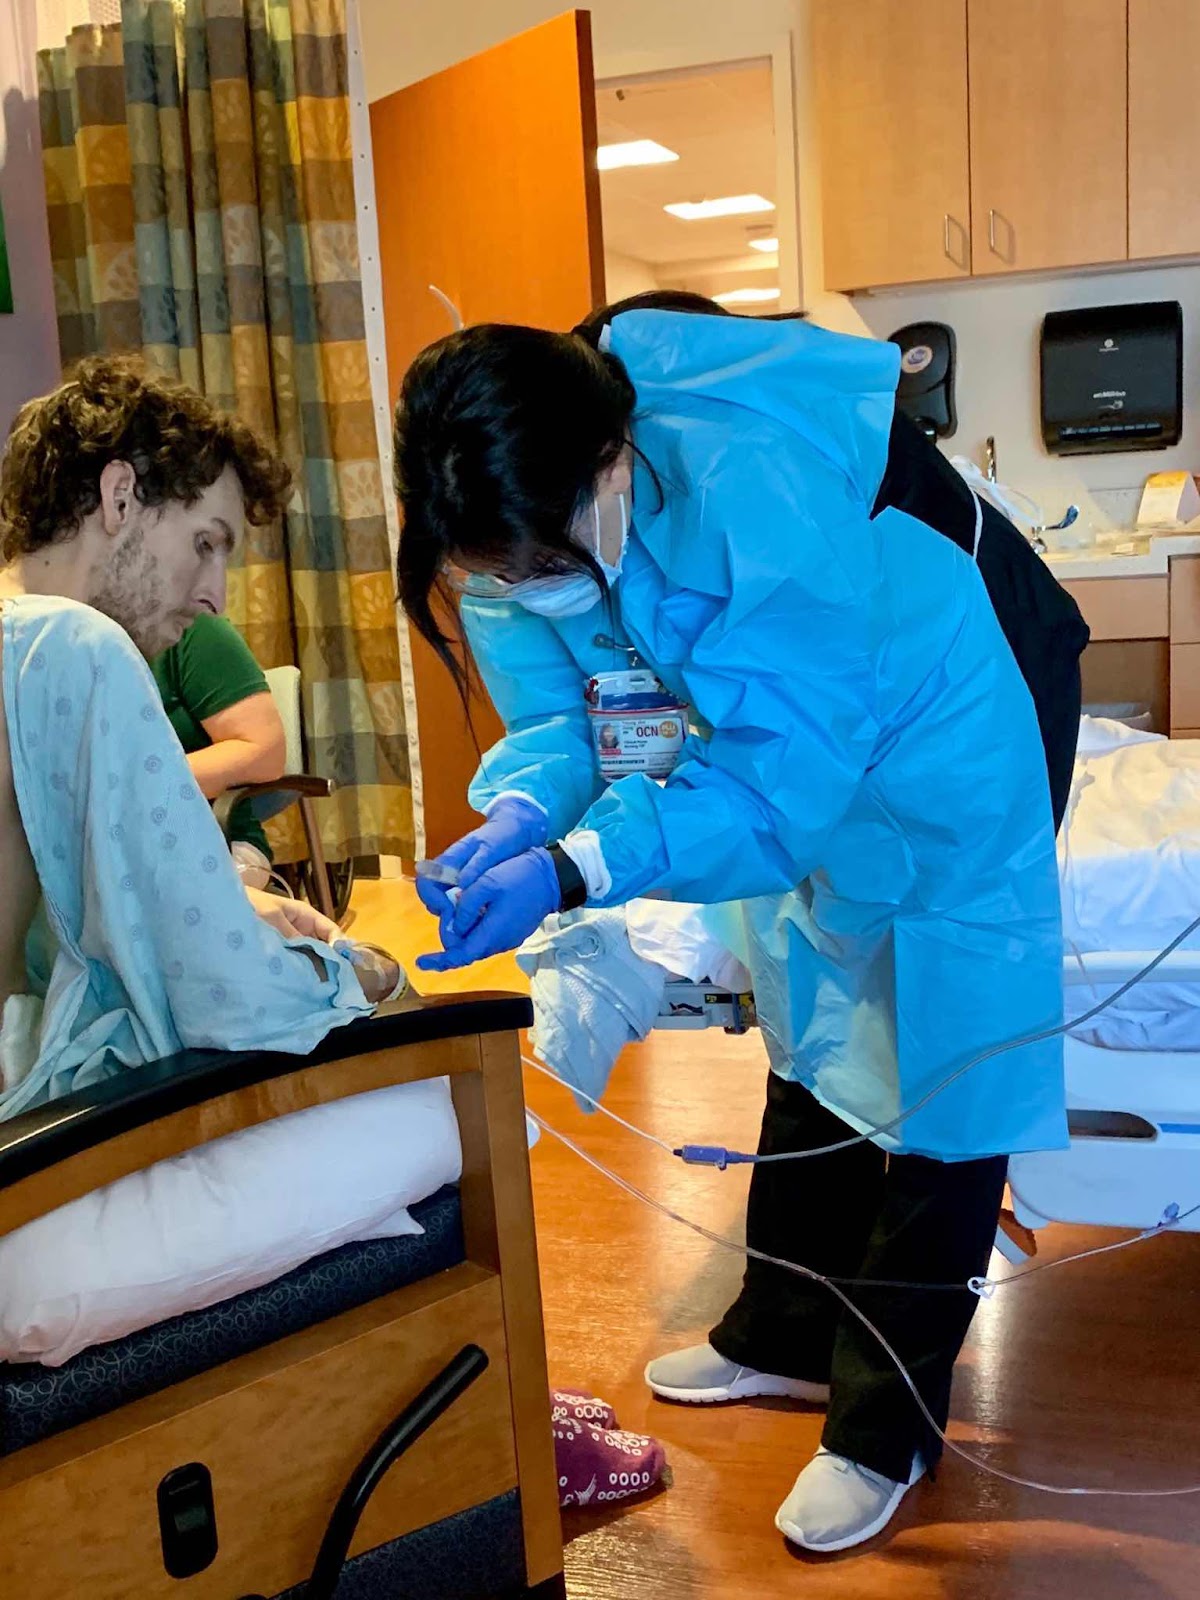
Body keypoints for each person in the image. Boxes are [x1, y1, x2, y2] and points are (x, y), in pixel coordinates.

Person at [393, 304, 1073, 1553]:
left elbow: (776, 787)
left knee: (951, 1053)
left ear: (612, 464)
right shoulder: (500, 526)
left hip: (948, 719)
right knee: (806, 1010)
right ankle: (785, 1335)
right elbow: (575, 720)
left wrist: (577, 867)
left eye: (536, 564)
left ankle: (883, 1428)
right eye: (500, 575)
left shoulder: (750, 486)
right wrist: (523, 812)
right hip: (796, 746)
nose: (521, 590)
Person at [0, 356, 400, 1110]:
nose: (215, 596)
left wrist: (228, 904)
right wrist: (355, 972)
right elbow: (225, 994)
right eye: (205, 543)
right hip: (32, 1124)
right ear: (120, 496)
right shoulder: (73, 645)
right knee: (414, 1102)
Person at [151, 611, 287, 885]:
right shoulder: (68, 642)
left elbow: (264, 753)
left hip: (214, 843)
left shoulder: (190, 628)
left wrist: (135, 787)